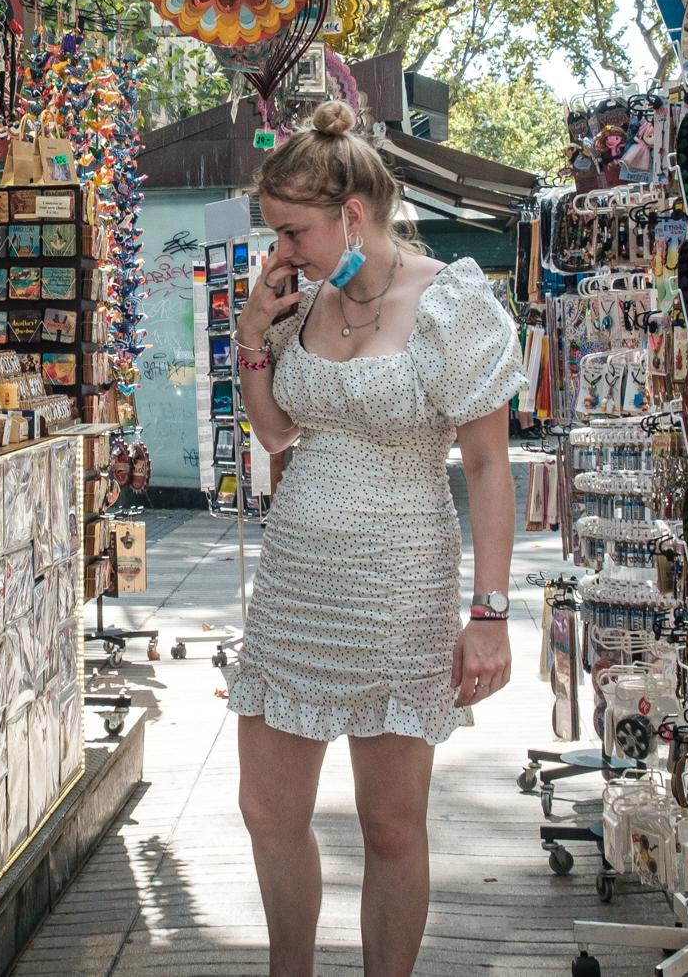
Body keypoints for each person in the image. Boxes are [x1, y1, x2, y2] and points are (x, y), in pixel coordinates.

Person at [230, 100, 527, 976]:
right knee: (266, 810)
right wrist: (252, 336)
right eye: (276, 232)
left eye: (294, 231)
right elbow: (277, 434)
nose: (282, 250)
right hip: (295, 585)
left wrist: (491, 612)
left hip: (401, 583)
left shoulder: (453, 303)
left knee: (390, 824)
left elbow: (487, 469)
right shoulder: (299, 301)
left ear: (353, 215)